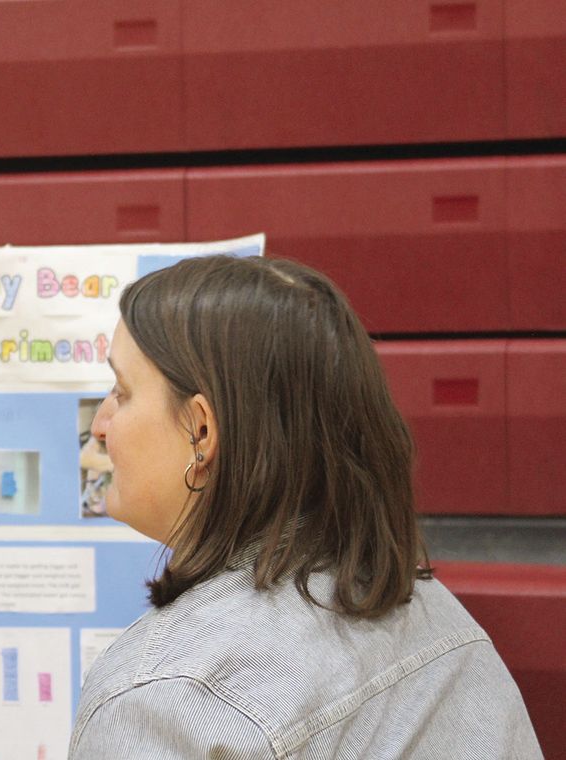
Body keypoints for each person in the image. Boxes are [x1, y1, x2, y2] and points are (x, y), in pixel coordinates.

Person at [68, 255, 543, 759]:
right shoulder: (441, 621)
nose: (100, 425)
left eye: (122, 392)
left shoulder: (162, 700)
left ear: (200, 432)